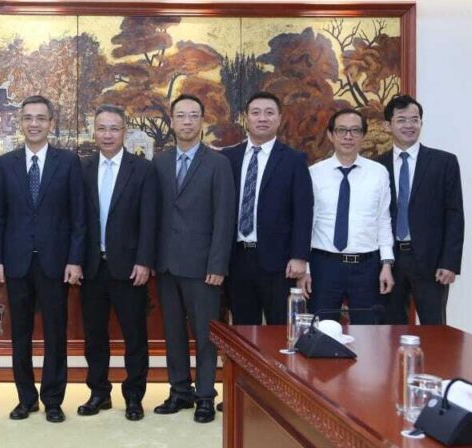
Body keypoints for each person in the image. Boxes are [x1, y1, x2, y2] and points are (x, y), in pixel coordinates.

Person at [0, 95, 85, 424]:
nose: (34, 124)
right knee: (20, 335)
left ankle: (53, 400)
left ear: (50, 123)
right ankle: (26, 399)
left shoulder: (68, 162)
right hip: (16, 263)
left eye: (41, 118)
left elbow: (78, 217)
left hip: (56, 263)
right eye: (28, 118)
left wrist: (75, 260)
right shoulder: (6, 163)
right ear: (20, 122)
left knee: (56, 334)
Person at [153, 94, 235, 424]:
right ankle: (179, 391)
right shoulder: (159, 162)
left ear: (202, 121)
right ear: (171, 121)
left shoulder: (218, 163)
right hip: (166, 264)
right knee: (173, 332)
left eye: (193, 115)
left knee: (204, 335)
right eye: (181, 116)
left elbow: (224, 218)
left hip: (203, 268)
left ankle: (204, 395)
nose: (187, 121)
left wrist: (217, 264)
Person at [77, 104, 158, 421]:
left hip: (129, 268)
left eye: (114, 128)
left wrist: (144, 260)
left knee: (135, 336)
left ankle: (134, 396)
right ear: (93, 132)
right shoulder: (83, 168)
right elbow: (76, 220)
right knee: (94, 336)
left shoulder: (143, 169)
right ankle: (99, 392)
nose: (107, 134)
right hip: (92, 268)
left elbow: (150, 220)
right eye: (102, 128)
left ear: (124, 131)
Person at [220, 92, 313, 326]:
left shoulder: (294, 160)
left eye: (269, 113)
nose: (262, 118)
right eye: (256, 113)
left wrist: (299, 256)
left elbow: (303, 212)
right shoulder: (228, 158)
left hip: (278, 262)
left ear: (279, 118)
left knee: (280, 328)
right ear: (246, 118)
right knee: (243, 329)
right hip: (237, 259)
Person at [377, 95, 464, 325]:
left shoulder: (444, 162)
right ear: (388, 125)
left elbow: (454, 214)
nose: (409, 125)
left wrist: (450, 262)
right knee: (391, 329)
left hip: (431, 261)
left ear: (421, 123)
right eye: (401, 119)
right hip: (389, 261)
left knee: (435, 329)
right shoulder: (376, 166)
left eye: (414, 119)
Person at [302, 109, 394, 324]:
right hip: (324, 266)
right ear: (330, 135)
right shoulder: (314, 173)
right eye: (341, 130)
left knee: (369, 334)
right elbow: (306, 224)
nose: (348, 136)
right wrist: (305, 269)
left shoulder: (378, 173)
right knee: (322, 331)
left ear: (363, 135)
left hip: (367, 267)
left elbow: (383, 220)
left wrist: (387, 264)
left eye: (355, 131)